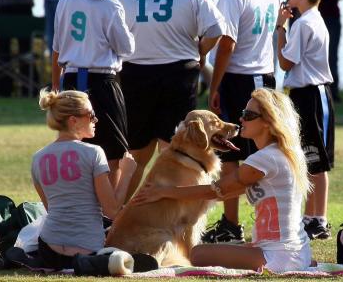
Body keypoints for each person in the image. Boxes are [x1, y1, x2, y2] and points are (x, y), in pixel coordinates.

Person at [134, 88, 312, 272]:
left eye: (249, 115)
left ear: (268, 122)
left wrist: (164, 191)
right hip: (292, 250)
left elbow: (215, 190)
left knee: (197, 254)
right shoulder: (277, 154)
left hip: (278, 255)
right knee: (211, 251)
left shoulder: (264, 159)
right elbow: (223, 194)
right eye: (243, 113)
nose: (241, 119)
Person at [117, 0, 226, 200]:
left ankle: (116, 215)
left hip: (136, 75)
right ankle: (175, 212)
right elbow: (216, 30)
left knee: (136, 154)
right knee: (177, 152)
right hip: (178, 75)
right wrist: (201, 51)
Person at [205, 0, 279, 244]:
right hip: (265, 75)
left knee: (233, 154)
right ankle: (256, 220)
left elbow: (228, 44)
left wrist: (215, 84)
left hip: (240, 79)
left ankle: (233, 223)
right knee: (265, 152)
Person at [51, 0, 134, 188]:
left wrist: (56, 85)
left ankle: (79, 206)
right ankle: (106, 216)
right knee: (112, 155)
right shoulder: (110, 6)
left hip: (72, 81)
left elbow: (56, 47)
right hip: (103, 83)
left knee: (73, 150)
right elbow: (126, 48)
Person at [31, 88, 136, 270]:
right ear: (73, 120)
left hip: (48, 249)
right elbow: (112, 210)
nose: (96, 120)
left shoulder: (37, 158)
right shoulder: (93, 152)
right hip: (88, 249)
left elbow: (50, 208)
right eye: (91, 114)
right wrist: (126, 173)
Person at [276, 0, 334, 240]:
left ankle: (318, 218)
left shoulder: (301, 24)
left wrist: (280, 29)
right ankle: (312, 216)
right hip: (310, 94)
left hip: (311, 95)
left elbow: (286, 62)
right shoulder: (314, 19)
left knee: (315, 159)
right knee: (310, 158)